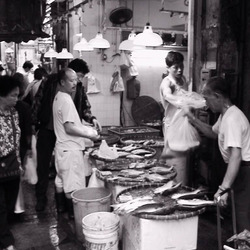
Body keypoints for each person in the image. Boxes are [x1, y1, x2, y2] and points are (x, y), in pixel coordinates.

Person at [32, 59, 102, 212]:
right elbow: (37, 102)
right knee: (43, 166)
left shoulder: (78, 87)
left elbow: (85, 106)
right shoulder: (50, 81)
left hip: (64, 133)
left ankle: (62, 206)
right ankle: (41, 199)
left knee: (62, 170)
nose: (78, 80)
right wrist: (34, 125)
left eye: (80, 78)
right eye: (78, 76)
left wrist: (92, 118)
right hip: (47, 129)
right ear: (67, 75)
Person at [185, 76, 250, 232]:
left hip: (243, 170)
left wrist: (223, 188)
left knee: (241, 215)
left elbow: (235, 156)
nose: (206, 104)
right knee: (234, 213)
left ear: (218, 96)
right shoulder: (225, 115)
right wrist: (192, 119)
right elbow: (213, 133)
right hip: (237, 168)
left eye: (207, 99)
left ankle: (243, 244)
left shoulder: (232, 119)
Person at [53, 68, 99, 219]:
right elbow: (69, 127)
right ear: (62, 82)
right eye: (71, 80)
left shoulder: (58, 97)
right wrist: (89, 134)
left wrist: (86, 126)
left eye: (76, 80)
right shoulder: (66, 100)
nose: (75, 83)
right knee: (73, 187)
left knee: (61, 181)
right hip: (70, 151)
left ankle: (62, 211)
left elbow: (71, 123)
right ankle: (75, 218)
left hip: (62, 149)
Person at [159, 51, 190, 185]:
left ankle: (180, 190)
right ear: (168, 68)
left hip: (182, 127)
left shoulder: (182, 80)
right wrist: (180, 101)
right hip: (173, 129)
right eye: (175, 67)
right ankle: (176, 192)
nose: (179, 70)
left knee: (182, 163)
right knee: (176, 165)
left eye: (181, 66)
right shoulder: (167, 82)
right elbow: (167, 95)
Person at [0, 75, 21, 250]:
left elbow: (16, 140)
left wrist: (19, 163)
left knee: (8, 204)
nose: (16, 99)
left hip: (12, 167)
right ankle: (7, 243)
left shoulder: (14, 113)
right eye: (13, 95)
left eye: (17, 95)